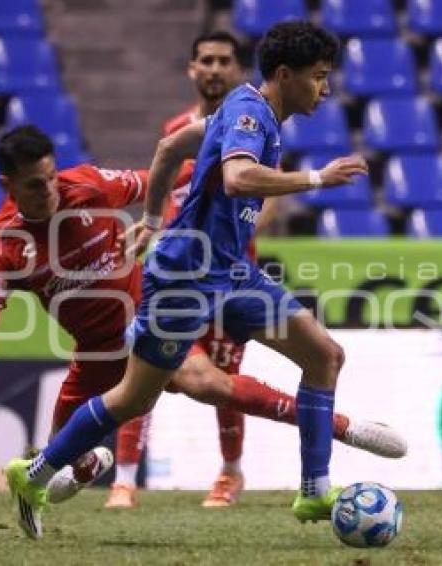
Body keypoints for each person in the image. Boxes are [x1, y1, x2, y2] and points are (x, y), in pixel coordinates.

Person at [0, 126, 403, 534]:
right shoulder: (0, 245)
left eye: (52, 177)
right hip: (94, 353)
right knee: (63, 460)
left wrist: (214, 167)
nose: (50, 191)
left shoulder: (90, 185)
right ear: (7, 184)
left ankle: (344, 427)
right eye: (36, 186)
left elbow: (162, 176)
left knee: (206, 382)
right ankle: (74, 469)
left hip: (149, 315)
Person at [5, 22, 376, 539]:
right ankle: (36, 472)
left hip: (228, 270)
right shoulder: (249, 113)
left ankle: (315, 492)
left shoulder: (244, 109)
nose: (326, 88)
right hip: (186, 275)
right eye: (319, 77)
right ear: (286, 75)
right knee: (133, 399)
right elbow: (238, 177)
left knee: (324, 355)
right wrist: (317, 178)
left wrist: (154, 220)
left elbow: (167, 149)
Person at [109, 30, 252, 509]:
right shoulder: (174, 131)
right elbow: (163, 189)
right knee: (144, 371)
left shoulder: (250, 127)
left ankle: (231, 472)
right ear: (192, 69)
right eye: (205, 60)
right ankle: (124, 480)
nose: (213, 68)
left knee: (226, 385)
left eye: (223, 61)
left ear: (237, 70)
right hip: (177, 277)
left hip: (230, 276)